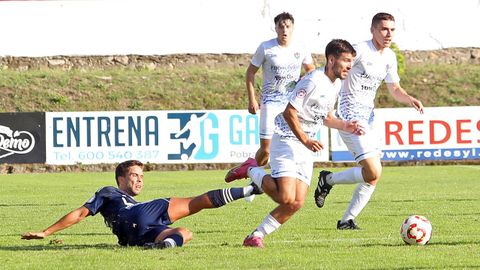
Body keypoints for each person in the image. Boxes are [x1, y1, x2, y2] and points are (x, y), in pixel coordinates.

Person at [225, 39, 364, 248]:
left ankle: (255, 236)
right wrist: (306, 140)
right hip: (287, 138)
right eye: (346, 61)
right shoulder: (313, 80)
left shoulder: (335, 85)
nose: (349, 66)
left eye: (351, 61)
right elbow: (289, 112)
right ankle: (251, 169)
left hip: (304, 145)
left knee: (297, 202)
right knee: (285, 196)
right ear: (331, 59)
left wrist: (346, 125)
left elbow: (324, 117)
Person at [313, 12, 424, 230]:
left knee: (372, 176)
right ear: (372, 30)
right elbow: (334, 69)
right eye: (383, 29)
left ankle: (346, 219)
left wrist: (409, 98)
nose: (388, 33)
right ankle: (328, 181)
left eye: (392, 29)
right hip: (349, 117)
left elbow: (394, 89)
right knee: (373, 171)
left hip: (369, 119)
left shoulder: (390, 57)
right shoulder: (360, 51)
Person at [21, 160, 262, 248]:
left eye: (142, 176)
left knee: (184, 233)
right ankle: (252, 188)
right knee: (195, 203)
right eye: (134, 175)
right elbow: (81, 213)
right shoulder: (109, 192)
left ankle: (163, 246)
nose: (139, 180)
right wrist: (47, 231)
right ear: (120, 179)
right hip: (135, 215)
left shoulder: (126, 201)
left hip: (135, 236)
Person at [244, 12, 315, 167]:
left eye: (288, 26)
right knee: (266, 149)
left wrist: (303, 81)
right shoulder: (266, 47)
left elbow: (311, 71)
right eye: (281, 26)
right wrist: (252, 99)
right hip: (270, 102)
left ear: (292, 28)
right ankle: (251, 172)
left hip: (291, 104)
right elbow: (250, 72)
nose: (284, 30)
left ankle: (263, 180)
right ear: (275, 28)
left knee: (292, 144)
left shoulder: (301, 47)